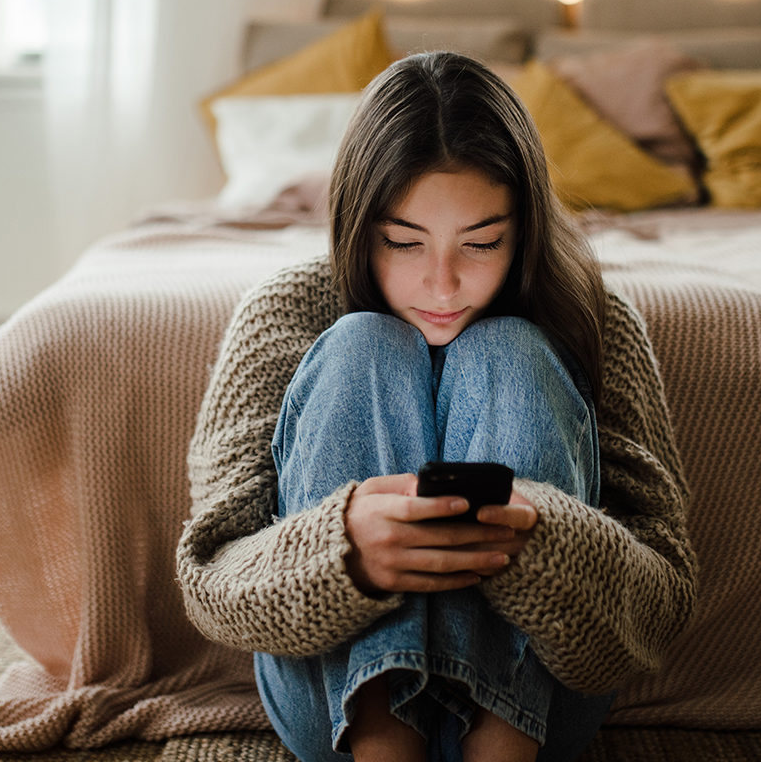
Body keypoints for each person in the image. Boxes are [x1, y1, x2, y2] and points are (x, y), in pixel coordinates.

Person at [176, 52, 696, 762]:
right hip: (336, 710)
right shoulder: (284, 313)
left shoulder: (593, 319)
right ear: (357, 227)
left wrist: (543, 543)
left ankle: (500, 744)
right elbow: (210, 579)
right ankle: (385, 743)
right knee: (364, 342)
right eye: (402, 242)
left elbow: (662, 603)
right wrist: (343, 552)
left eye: (482, 242)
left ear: (525, 227)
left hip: (540, 712)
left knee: (508, 347)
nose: (443, 284)